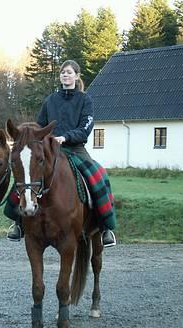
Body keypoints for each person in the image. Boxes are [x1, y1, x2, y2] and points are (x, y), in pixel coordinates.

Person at [6, 59, 116, 247]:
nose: (65, 75)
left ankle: (106, 227)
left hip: (75, 148)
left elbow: (86, 128)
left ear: (77, 76)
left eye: (69, 72)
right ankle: (17, 222)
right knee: (26, 174)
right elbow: (40, 125)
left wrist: (65, 137)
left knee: (98, 175)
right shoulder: (50, 100)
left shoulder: (85, 100)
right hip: (49, 149)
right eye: (63, 72)